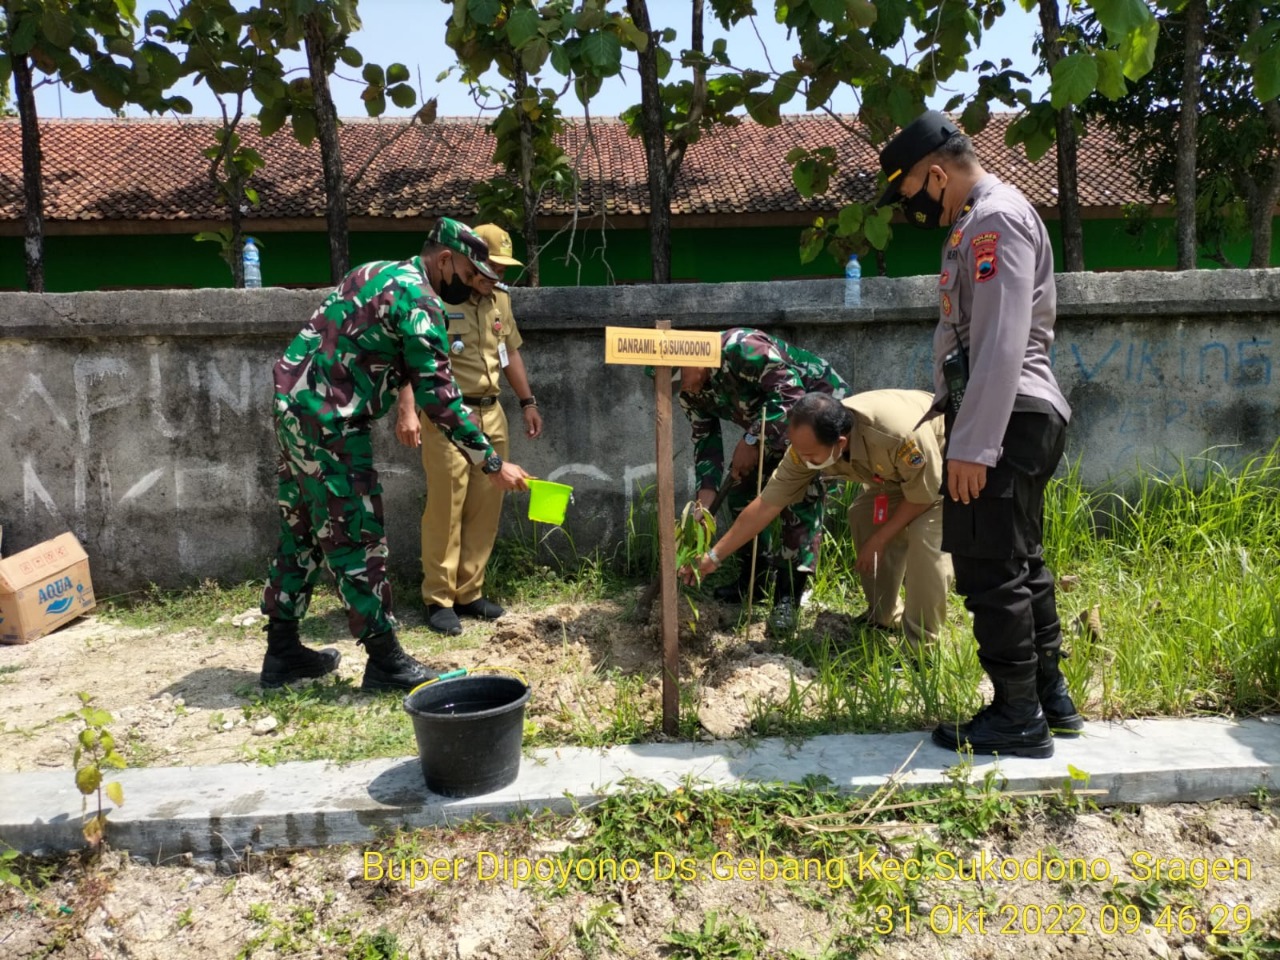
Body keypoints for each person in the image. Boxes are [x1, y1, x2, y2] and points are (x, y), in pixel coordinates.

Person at [875, 110, 1081, 758]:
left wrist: (971, 444)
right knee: (1019, 562)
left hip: (1006, 417)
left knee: (990, 568)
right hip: (1013, 416)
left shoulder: (993, 220)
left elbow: (998, 342)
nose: (917, 210)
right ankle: (1051, 702)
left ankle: (1017, 718)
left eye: (913, 195)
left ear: (936, 173)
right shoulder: (978, 222)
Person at [258, 218, 531, 692]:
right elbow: (441, 401)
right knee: (357, 534)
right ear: (445, 260)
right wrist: (492, 463)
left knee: (301, 530)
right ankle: (385, 660)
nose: (466, 287)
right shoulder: (421, 302)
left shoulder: (375, 272)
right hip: (331, 422)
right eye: (466, 275)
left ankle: (281, 650)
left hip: (294, 408)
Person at [680, 391, 952, 651]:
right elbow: (765, 505)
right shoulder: (805, 448)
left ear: (840, 443)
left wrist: (879, 540)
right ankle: (883, 617)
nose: (802, 459)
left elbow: (923, 496)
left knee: (926, 538)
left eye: (810, 455)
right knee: (861, 515)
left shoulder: (896, 435)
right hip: (898, 477)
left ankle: (922, 648)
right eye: (798, 451)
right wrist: (713, 557)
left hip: (944, 464)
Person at [394, 224, 543, 636]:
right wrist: (407, 409)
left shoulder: (500, 301)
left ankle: (469, 591)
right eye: (494, 265)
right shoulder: (438, 296)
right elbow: (411, 357)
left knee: (486, 504)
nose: (499, 274)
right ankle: (438, 599)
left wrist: (527, 401)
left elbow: (508, 351)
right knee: (447, 504)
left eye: (502, 268)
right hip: (449, 417)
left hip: (492, 412)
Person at [677, 327, 849, 635]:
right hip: (768, 428)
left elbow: (790, 393)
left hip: (813, 416)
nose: (676, 384)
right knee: (741, 492)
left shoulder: (741, 348)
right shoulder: (689, 391)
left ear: (695, 357)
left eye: (676, 374)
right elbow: (706, 443)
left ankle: (787, 597)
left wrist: (751, 439)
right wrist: (704, 504)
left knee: (799, 501)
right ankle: (753, 582)